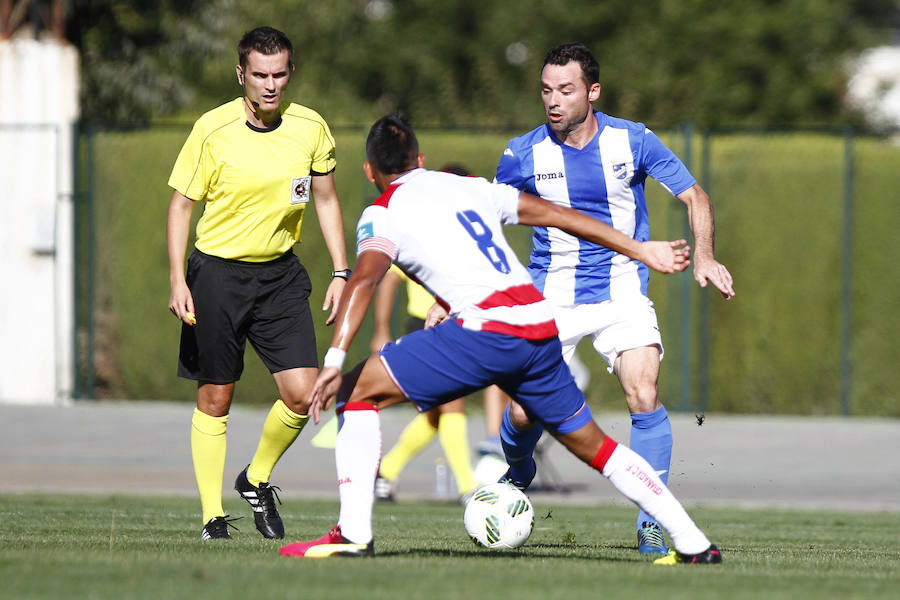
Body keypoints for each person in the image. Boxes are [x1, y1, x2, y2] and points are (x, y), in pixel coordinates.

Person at [278, 114, 721, 566]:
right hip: (539, 323)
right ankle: (694, 543)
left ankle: (352, 534)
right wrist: (639, 248)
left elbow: (365, 279)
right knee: (598, 447)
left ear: (369, 171)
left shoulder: (382, 211)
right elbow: (560, 215)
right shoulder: (470, 187)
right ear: (421, 159)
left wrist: (333, 358)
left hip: (487, 331)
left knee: (355, 392)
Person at [493, 42, 735, 555]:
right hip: (549, 297)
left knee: (643, 393)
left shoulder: (633, 141)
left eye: (565, 89)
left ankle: (652, 518)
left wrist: (707, 255)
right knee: (520, 415)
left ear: (592, 91)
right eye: (545, 90)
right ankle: (518, 469)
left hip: (622, 288)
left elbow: (695, 195)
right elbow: (484, 224)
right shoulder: (522, 152)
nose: (553, 100)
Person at [166, 26, 350, 540]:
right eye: (260, 75)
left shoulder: (310, 127)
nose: (270, 85)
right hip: (217, 275)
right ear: (241, 73)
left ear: (291, 73)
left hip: (280, 275)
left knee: (304, 393)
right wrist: (178, 278)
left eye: (280, 74)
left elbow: (327, 200)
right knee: (216, 398)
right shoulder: (212, 128)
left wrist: (340, 270)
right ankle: (211, 518)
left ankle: (256, 477)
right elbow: (181, 205)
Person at [371, 263, 477, 503]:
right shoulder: (416, 232)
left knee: (434, 416)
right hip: (426, 326)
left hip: (455, 324)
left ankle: (385, 472)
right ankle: (468, 489)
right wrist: (381, 330)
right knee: (453, 404)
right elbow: (390, 280)